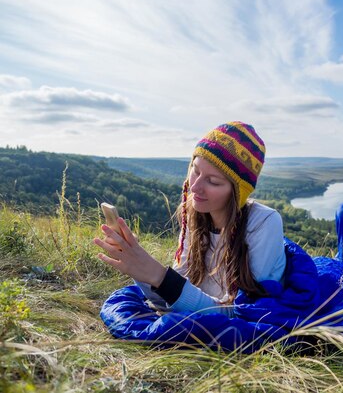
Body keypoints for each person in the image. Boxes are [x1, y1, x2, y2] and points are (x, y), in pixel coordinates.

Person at [93, 121, 286, 317]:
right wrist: (137, 266)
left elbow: (239, 314)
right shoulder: (195, 216)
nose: (194, 188)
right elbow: (173, 300)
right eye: (195, 170)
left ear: (238, 194)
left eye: (213, 181)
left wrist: (159, 276)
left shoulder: (264, 224)